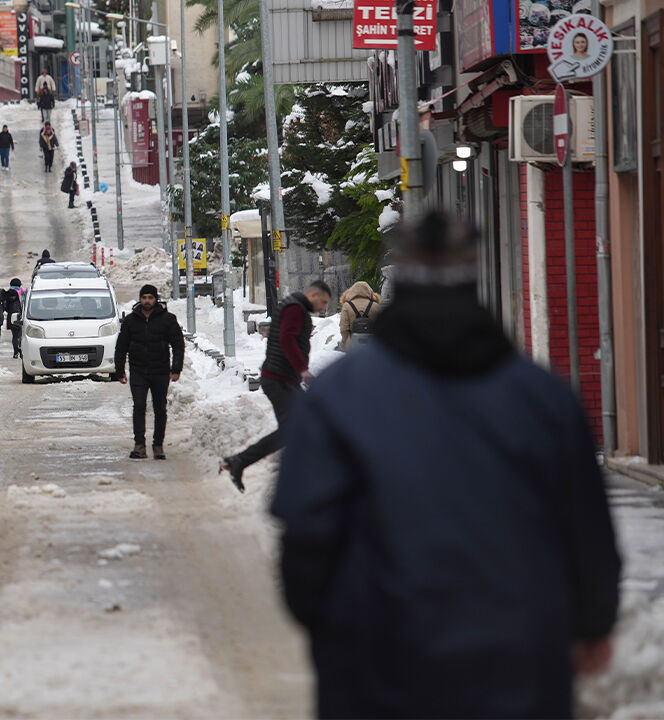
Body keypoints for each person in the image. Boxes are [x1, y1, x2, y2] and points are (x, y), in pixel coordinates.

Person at [270, 212, 621, 718]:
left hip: (376, 658)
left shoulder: (338, 398)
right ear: (474, 276)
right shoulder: (541, 399)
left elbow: (306, 535)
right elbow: (585, 524)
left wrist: (334, 626)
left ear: (403, 281)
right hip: (518, 656)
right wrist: (592, 621)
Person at [221, 280, 332, 491]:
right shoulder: (295, 309)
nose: (323, 307)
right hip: (279, 379)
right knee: (293, 428)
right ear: (313, 294)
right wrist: (302, 369)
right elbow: (287, 339)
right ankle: (252, 465)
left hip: (283, 378)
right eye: (323, 302)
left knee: (300, 425)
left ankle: (245, 462)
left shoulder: (294, 306)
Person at [114, 285, 185, 459]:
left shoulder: (167, 319)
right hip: (138, 370)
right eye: (144, 297)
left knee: (160, 408)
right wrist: (120, 369)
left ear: (155, 299)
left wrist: (176, 368)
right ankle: (139, 446)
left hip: (160, 370)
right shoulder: (131, 321)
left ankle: (158, 446)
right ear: (140, 299)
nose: (147, 301)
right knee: (138, 406)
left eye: (150, 297)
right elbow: (121, 346)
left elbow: (178, 344)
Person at [338, 280, 381, 350]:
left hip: (353, 344)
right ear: (370, 291)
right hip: (372, 344)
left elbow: (344, 328)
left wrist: (347, 343)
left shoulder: (347, 306)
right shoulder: (375, 306)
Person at [4, 278, 25, 358]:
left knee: (15, 335)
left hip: (11, 315)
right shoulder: (23, 291)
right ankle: (21, 350)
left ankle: (15, 352)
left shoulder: (8, 292)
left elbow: (5, 306)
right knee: (20, 334)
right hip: (21, 314)